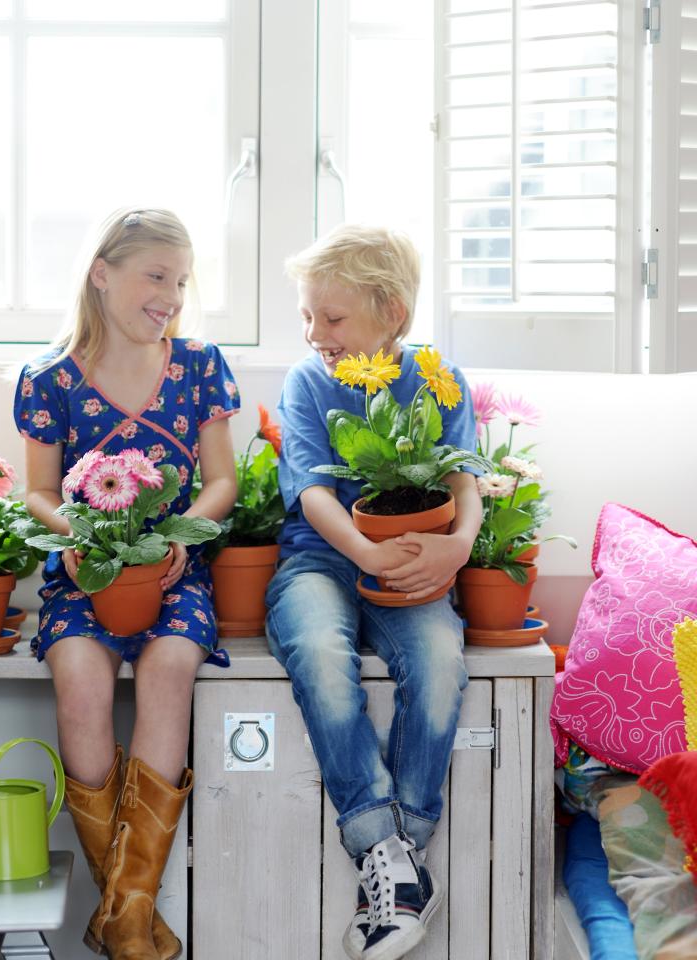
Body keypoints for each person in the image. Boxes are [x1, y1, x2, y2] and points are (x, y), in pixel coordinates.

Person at [13, 208, 239, 960]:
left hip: (175, 569)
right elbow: (38, 493)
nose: (171, 294)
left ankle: (123, 915)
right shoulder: (49, 377)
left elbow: (223, 480)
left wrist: (177, 538)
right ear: (102, 274)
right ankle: (133, 920)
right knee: (77, 675)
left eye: (179, 280)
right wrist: (82, 537)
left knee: (170, 665)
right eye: (156, 275)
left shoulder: (201, 365)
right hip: (87, 570)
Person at [265, 224, 482, 960]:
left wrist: (455, 549)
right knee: (321, 656)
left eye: (331, 317)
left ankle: (402, 854)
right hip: (323, 560)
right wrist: (367, 553)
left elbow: (464, 480)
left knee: (440, 662)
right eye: (307, 316)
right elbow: (316, 495)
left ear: (391, 312)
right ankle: (385, 851)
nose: (314, 332)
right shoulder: (308, 380)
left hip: (414, 561)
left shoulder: (436, 377)